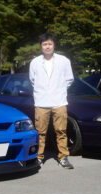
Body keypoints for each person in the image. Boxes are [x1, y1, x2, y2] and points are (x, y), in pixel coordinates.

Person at [29, 33, 74, 169]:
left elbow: (69, 79)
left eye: (50, 44)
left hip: (59, 101)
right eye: (44, 44)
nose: (47, 47)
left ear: (54, 45)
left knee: (61, 131)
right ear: (41, 46)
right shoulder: (35, 62)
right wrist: (43, 91)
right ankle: (39, 157)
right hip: (41, 102)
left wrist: (58, 89)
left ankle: (63, 157)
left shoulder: (64, 61)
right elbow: (32, 80)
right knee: (40, 132)